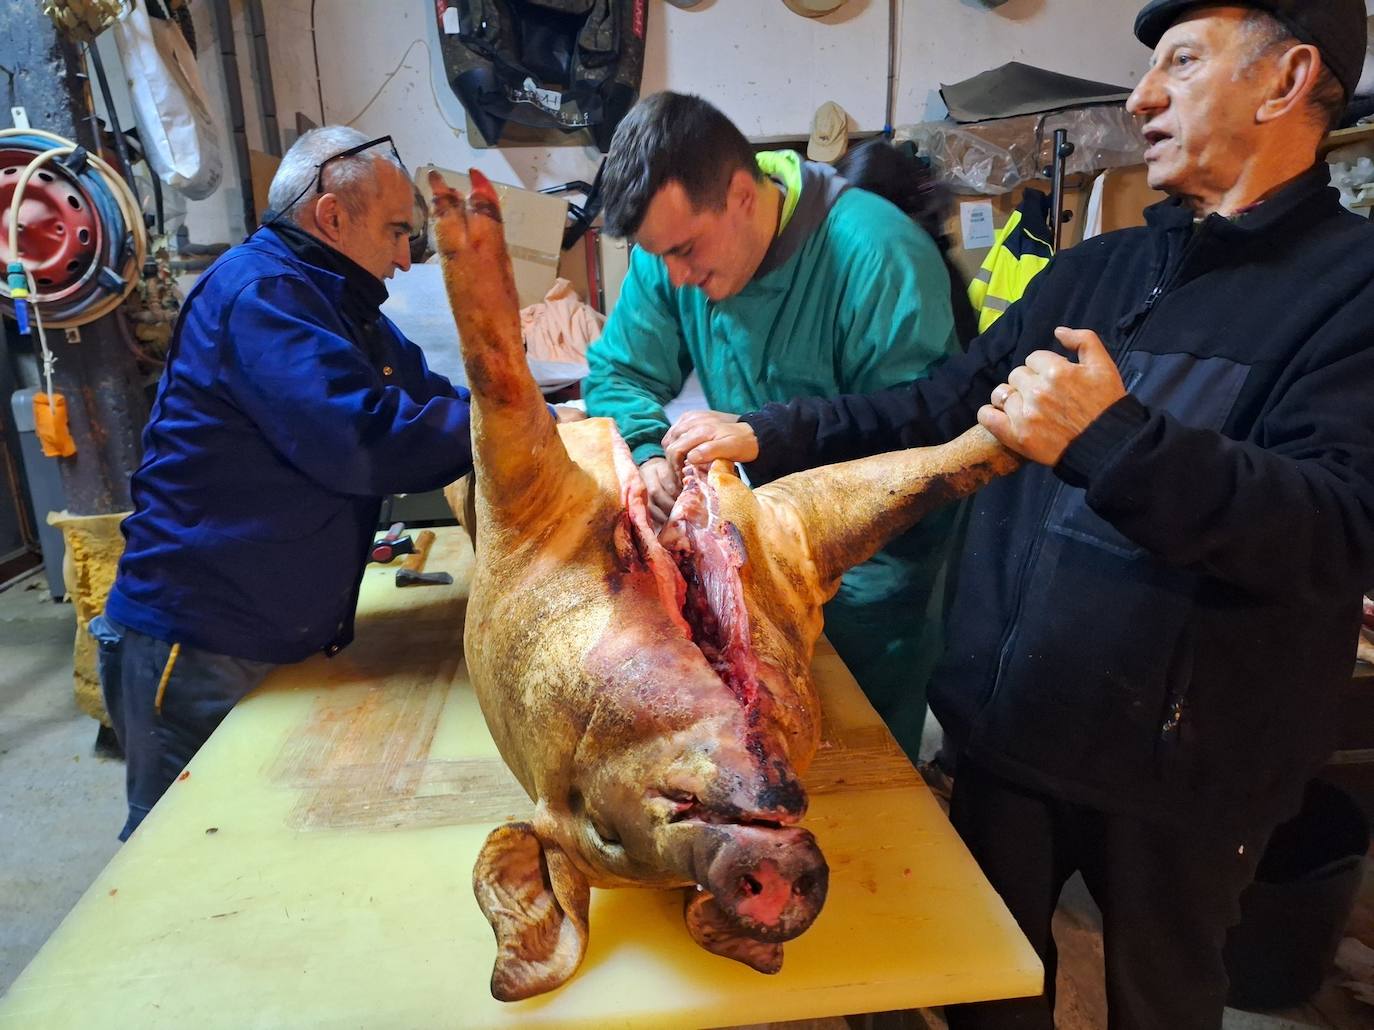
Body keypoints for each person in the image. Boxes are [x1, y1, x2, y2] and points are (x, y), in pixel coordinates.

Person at [663, 2, 1374, 1025]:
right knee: (989, 989)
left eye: (1180, 60)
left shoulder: (1351, 292)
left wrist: (1112, 436)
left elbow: (1339, 525)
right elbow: (938, 405)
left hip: (1187, 777)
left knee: (1161, 1000)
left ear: (1288, 79)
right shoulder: (1098, 270)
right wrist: (771, 432)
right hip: (1017, 731)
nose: (1142, 97)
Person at [93, 126, 479, 841]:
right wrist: (505, 429)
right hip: (201, 637)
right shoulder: (264, 295)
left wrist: (529, 415)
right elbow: (361, 441)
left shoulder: (342, 302)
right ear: (331, 216)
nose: (404, 258)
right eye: (396, 232)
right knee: (177, 848)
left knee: (253, 836)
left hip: (269, 629)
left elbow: (428, 397)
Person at [583, 92, 965, 762]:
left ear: (740, 194)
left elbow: (920, 437)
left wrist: (769, 438)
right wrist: (646, 453)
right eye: (658, 257)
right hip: (748, 553)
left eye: (686, 250)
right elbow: (619, 373)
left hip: (869, 573)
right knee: (753, 756)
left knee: (862, 772)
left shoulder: (878, 257)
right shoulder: (666, 252)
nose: (676, 277)